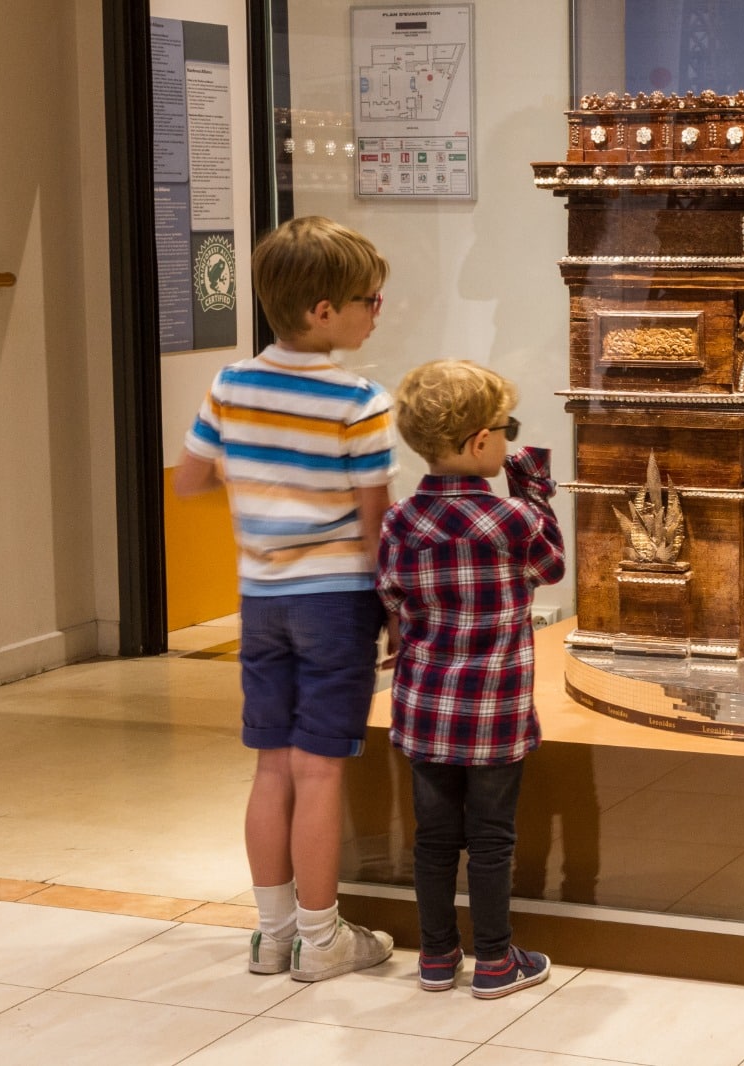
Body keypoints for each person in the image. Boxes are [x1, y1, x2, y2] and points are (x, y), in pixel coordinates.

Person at [175, 216, 397, 982]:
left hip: (260, 601)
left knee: (271, 765)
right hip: (335, 603)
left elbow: (188, 480)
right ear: (323, 312)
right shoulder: (361, 401)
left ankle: (272, 936)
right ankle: (323, 936)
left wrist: (261, 488)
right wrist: (397, 608)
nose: (379, 311)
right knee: (321, 770)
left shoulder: (230, 384)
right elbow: (376, 528)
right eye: (371, 298)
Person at [378, 359, 566, 999]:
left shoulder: (401, 520)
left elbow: (392, 593)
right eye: (506, 428)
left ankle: (435, 957)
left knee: (433, 841)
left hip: (425, 708)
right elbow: (553, 566)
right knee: (491, 840)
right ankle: (494, 961)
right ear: (483, 442)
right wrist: (533, 489)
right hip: (495, 710)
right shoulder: (512, 521)